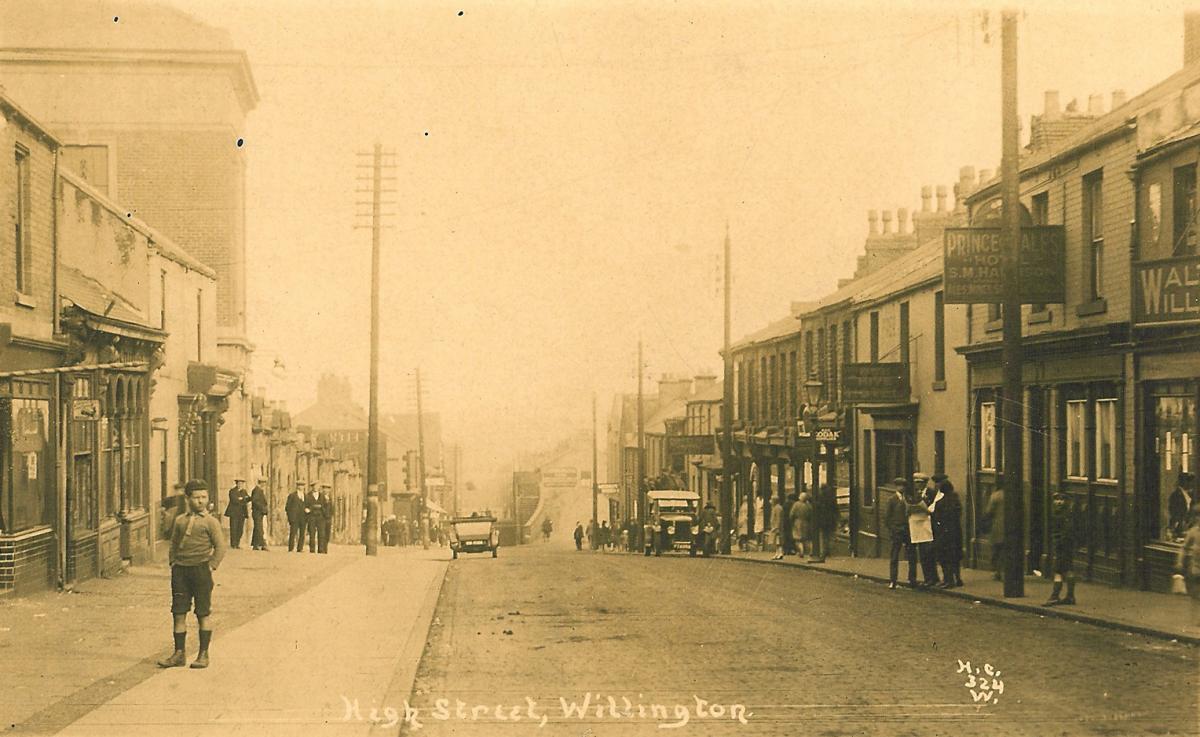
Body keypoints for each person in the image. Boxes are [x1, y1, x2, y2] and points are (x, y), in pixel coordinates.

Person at [158, 479, 227, 669]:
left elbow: (221, 546)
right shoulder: (180, 520)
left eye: (204, 497)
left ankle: (203, 654)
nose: (200, 501)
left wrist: (211, 566)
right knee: (178, 612)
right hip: (181, 571)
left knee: (203, 612)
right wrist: (173, 562)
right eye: (196, 497)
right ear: (187, 499)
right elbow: (173, 543)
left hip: (201, 571)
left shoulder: (211, 522)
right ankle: (179, 653)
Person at [1044, 491, 1078, 606]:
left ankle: (1055, 595)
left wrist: (1058, 543)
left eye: (1061, 500)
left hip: (1062, 545)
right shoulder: (1069, 513)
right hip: (1068, 545)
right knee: (1069, 569)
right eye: (1056, 499)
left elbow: (1064, 532)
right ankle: (1070, 596)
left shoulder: (1061, 515)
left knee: (1058, 571)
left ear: (1066, 501)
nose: (1058, 502)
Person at [929, 474, 964, 588]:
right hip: (955, 532)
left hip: (943, 534)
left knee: (944, 557)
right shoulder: (956, 500)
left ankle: (948, 580)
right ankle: (957, 579)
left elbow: (936, 518)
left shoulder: (941, 503)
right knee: (955, 557)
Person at [910, 473, 939, 586]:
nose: (917, 485)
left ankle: (933, 578)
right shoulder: (914, 494)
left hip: (929, 526)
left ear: (924, 483)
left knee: (929, 553)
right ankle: (928, 578)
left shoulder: (931, 493)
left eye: (920, 483)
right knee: (923, 554)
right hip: (918, 527)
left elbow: (934, 507)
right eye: (916, 483)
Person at [1174, 503, 1200, 625]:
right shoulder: (1193, 532)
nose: (1198, 519)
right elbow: (1184, 548)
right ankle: (1196, 618)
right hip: (1196, 568)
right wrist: (1180, 561)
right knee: (1196, 594)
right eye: (1197, 517)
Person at [883, 481, 910, 590]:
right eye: (900, 485)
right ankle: (893, 580)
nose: (902, 487)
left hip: (907, 530)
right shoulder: (892, 500)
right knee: (894, 556)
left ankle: (911, 579)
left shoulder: (908, 499)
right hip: (897, 530)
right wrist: (893, 529)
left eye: (903, 485)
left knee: (911, 554)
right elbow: (886, 517)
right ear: (896, 487)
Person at [985, 486, 1006, 581]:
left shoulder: (995, 496)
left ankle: (997, 572)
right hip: (1011, 527)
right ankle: (1004, 571)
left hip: (997, 526)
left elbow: (989, 511)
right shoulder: (1014, 495)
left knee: (996, 550)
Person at [813, 484, 838, 562]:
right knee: (830, 536)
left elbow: (817, 509)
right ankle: (829, 551)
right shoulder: (832, 497)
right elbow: (835, 509)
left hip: (823, 520)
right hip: (831, 520)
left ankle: (823, 553)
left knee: (823, 537)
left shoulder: (820, 497)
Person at [1168, 471, 1195, 541]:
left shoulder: (1191, 495)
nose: (1191, 483)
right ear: (1183, 482)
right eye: (1189, 480)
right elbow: (1174, 514)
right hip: (1179, 531)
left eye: (1191, 481)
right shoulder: (1176, 495)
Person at [223, 478, 249, 549]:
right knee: (234, 528)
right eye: (239, 483)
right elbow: (234, 500)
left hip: (242, 513)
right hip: (234, 513)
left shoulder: (244, 491)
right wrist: (243, 499)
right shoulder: (232, 491)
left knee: (240, 529)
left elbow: (248, 499)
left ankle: (237, 543)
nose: (240, 485)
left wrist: (241, 498)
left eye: (241, 484)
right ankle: (233, 544)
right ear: (236, 484)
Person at [285, 483, 306, 552]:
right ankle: (291, 548)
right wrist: (290, 517)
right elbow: (287, 507)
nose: (301, 487)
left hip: (303, 518)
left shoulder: (305, 496)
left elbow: (308, 506)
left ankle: (300, 548)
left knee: (302, 533)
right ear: (297, 486)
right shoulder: (292, 495)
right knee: (293, 533)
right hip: (294, 518)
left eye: (302, 485)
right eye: (299, 485)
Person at [791, 492, 812, 559]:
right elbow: (811, 513)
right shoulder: (808, 505)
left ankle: (801, 551)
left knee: (798, 538)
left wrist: (792, 520)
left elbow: (792, 514)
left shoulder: (796, 504)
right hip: (806, 522)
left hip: (797, 522)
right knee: (806, 538)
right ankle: (810, 552)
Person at [249, 477, 269, 551]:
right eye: (263, 483)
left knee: (257, 528)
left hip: (258, 512)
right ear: (260, 483)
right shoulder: (257, 490)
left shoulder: (259, 490)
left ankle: (255, 544)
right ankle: (262, 544)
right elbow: (255, 501)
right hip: (257, 512)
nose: (264, 485)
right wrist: (262, 507)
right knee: (259, 528)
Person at [315, 484, 333, 553]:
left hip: (328, 519)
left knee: (327, 534)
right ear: (323, 489)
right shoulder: (320, 497)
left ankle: (325, 549)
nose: (326, 490)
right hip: (322, 518)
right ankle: (321, 549)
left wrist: (331, 515)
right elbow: (321, 507)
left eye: (328, 489)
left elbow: (331, 507)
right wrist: (325, 514)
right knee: (321, 534)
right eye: (325, 488)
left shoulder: (330, 497)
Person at [303, 485, 321, 553]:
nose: (315, 488)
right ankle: (312, 549)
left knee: (321, 534)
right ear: (312, 487)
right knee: (312, 534)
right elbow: (305, 505)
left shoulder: (321, 496)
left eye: (317, 486)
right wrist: (308, 509)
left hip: (320, 517)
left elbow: (323, 505)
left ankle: (320, 549)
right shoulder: (308, 496)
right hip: (312, 517)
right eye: (314, 487)